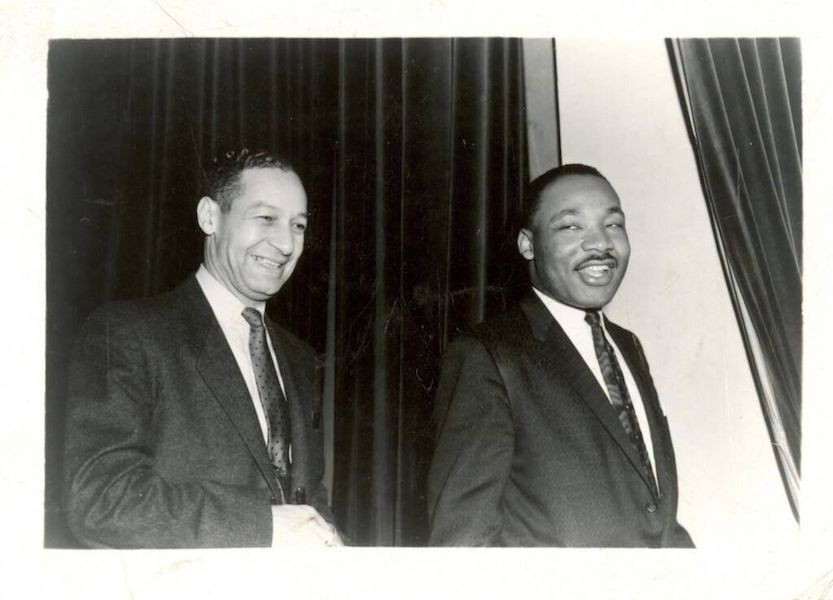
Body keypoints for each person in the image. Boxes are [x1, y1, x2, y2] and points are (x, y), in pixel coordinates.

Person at [63, 149, 342, 548]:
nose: (285, 243)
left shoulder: (297, 356)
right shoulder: (127, 333)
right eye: (266, 218)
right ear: (210, 217)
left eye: (298, 225)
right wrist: (261, 525)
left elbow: (306, 501)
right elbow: (98, 498)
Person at [427, 164, 694, 547]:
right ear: (527, 245)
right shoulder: (486, 356)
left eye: (613, 224)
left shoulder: (628, 346)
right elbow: (463, 544)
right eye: (571, 226)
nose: (600, 243)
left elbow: (655, 514)